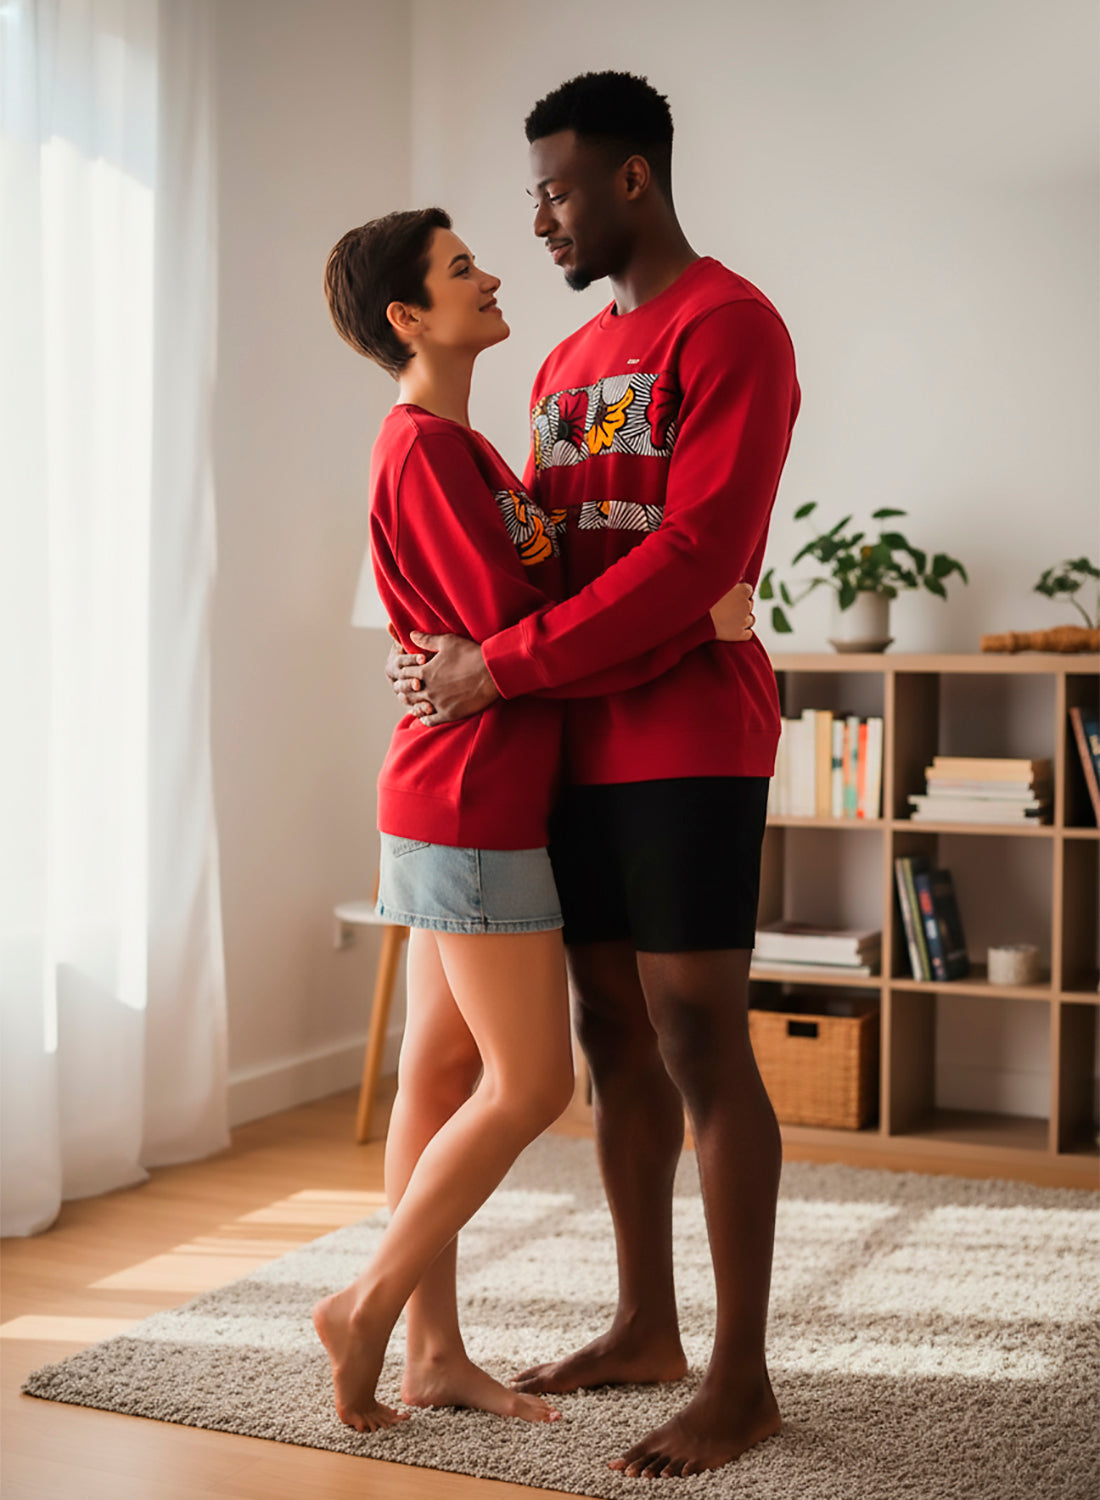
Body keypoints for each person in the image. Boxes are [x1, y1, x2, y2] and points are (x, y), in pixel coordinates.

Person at [391, 72, 800, 1478]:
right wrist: (443, 647)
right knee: (613, 1035)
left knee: (696, 1031)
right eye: (532, 197)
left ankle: (741, 1381)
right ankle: (646, 1326)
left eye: (559, 191)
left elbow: (698, 560)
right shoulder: (562, 368)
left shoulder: (731, 324)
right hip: (572, 742)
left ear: (632, 179)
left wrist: (502, 666)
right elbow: (538, 565)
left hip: (689, 733)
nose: (541, 220)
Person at [314, 206, 755, 1435]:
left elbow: (503, 632)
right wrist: (688, 620)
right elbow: (514, 644)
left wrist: (486, 648)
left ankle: (430, 1355)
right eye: (461, 268)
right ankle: (367, 1306)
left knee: (441, 1072)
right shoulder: (423, 450)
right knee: (531, 1082)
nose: (492, 271)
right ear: (410, 318)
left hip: (464, 788)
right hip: (471, 800)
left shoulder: (473, 453)